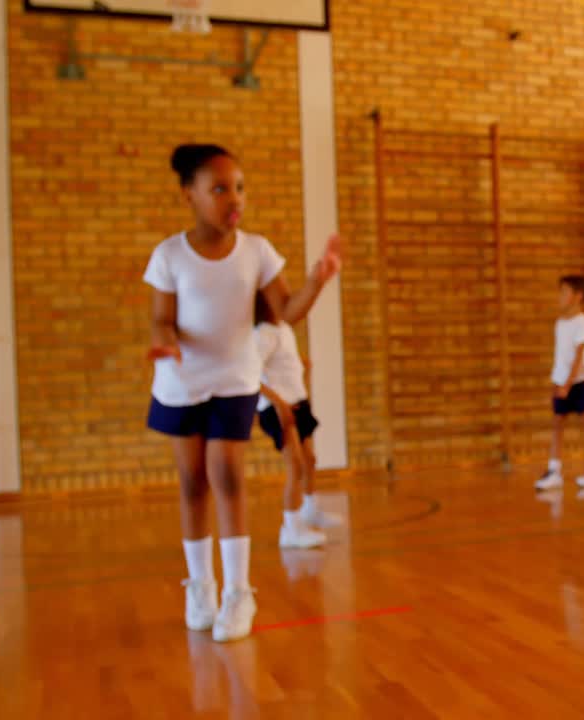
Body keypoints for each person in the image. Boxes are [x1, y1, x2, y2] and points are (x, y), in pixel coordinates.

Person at [145, 143, 340, 642]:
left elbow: (286, 311)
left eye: (239, 188)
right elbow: (162, 319)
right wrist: (166, 346)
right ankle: (201, 586)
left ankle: (238, 592)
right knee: (192, 484)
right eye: (220, 189)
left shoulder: (257, 251)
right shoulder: (170, 255)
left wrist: (317, 280)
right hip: (182, 384)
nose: (234, 198)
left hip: (233, 381)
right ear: (189, 194)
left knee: (227, 476)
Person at [253, 292, 341, 550]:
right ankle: (290, 529)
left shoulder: (283, 330)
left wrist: (300, 365)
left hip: (297, 401)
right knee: (296, 465)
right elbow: (249, 374)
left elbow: (281, 364)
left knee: (309, 460)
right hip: (279, 408)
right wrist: (278, 403)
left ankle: (309, 509)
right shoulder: (263, 334)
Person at [534, 275, 584, 491]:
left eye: (564, 292)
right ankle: (554, 470)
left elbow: (578, 357)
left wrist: (568, 384)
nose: (560, 296)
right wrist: (557, 382)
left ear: (578, 297)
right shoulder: (560, 323)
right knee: (557, 424)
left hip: (580, 382)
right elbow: (561, 357)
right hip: (561, 382)